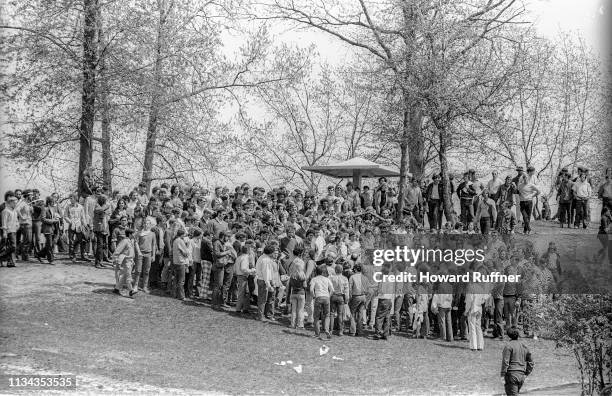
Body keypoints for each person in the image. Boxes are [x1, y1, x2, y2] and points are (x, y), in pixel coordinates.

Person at [501, 327, 534, 395]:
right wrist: (526, 374)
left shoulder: (508, 346)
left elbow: (505, 362)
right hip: (521, 375)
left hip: (512, 375)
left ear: (508, 335)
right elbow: (531, 363)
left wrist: (502, 375)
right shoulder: (524, 346)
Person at [310, 264, 334, 340]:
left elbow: (311, 289)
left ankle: (317, 333)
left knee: (316, 316)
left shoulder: (314, 279)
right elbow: (332, 290)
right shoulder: (327, 279)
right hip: (326, 297)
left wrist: (313, 296)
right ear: (323, 272)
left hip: (318, 297)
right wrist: (329, 296)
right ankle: (326, 329)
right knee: (327, 315)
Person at [517, 166, 540, 234]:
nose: (533, 173)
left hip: (530, 197)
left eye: (534, 172)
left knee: (528, 216)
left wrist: (532, 194)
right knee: (525, 216)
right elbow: (519, 187)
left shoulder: (534, 177)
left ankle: (526, 230)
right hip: (523, 198)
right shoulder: (523, 177)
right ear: (529, 171)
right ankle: (528, 228)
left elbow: (537, 187)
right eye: (532, 171)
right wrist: (520, 194)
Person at [348, 263, 368, 337]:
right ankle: (360, 331)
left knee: (352, 313)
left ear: (355, 269)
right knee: (360, 314)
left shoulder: (352, 277)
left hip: (355, 296)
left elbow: (350, 289)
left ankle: (353, 331)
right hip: (363, 296)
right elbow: (367, 289)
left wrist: (349, 298)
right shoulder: (365, 277)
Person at [329, 264, 349, 336]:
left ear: (335, 270)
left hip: (333, 296)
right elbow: (346, 290)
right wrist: (346, 299)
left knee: (331, 314)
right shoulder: (345, 278)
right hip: (341, 296)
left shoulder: (331, 277)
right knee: (340, 314)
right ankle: (340, 331)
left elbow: (329, 288)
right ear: (342, 270)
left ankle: (331, 330)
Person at [1, 194, 19, 267]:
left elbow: (16, 220)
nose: (16, 204)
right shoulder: (5, 211)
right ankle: (1, 256)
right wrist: (4, 232)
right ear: (10, 202)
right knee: (13, 246)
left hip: (14, 230)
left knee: (11, 247)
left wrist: (17, 225)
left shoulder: (14, 211)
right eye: (14, 202)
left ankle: (11, 262)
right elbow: (4, 222)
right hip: (8, 231)